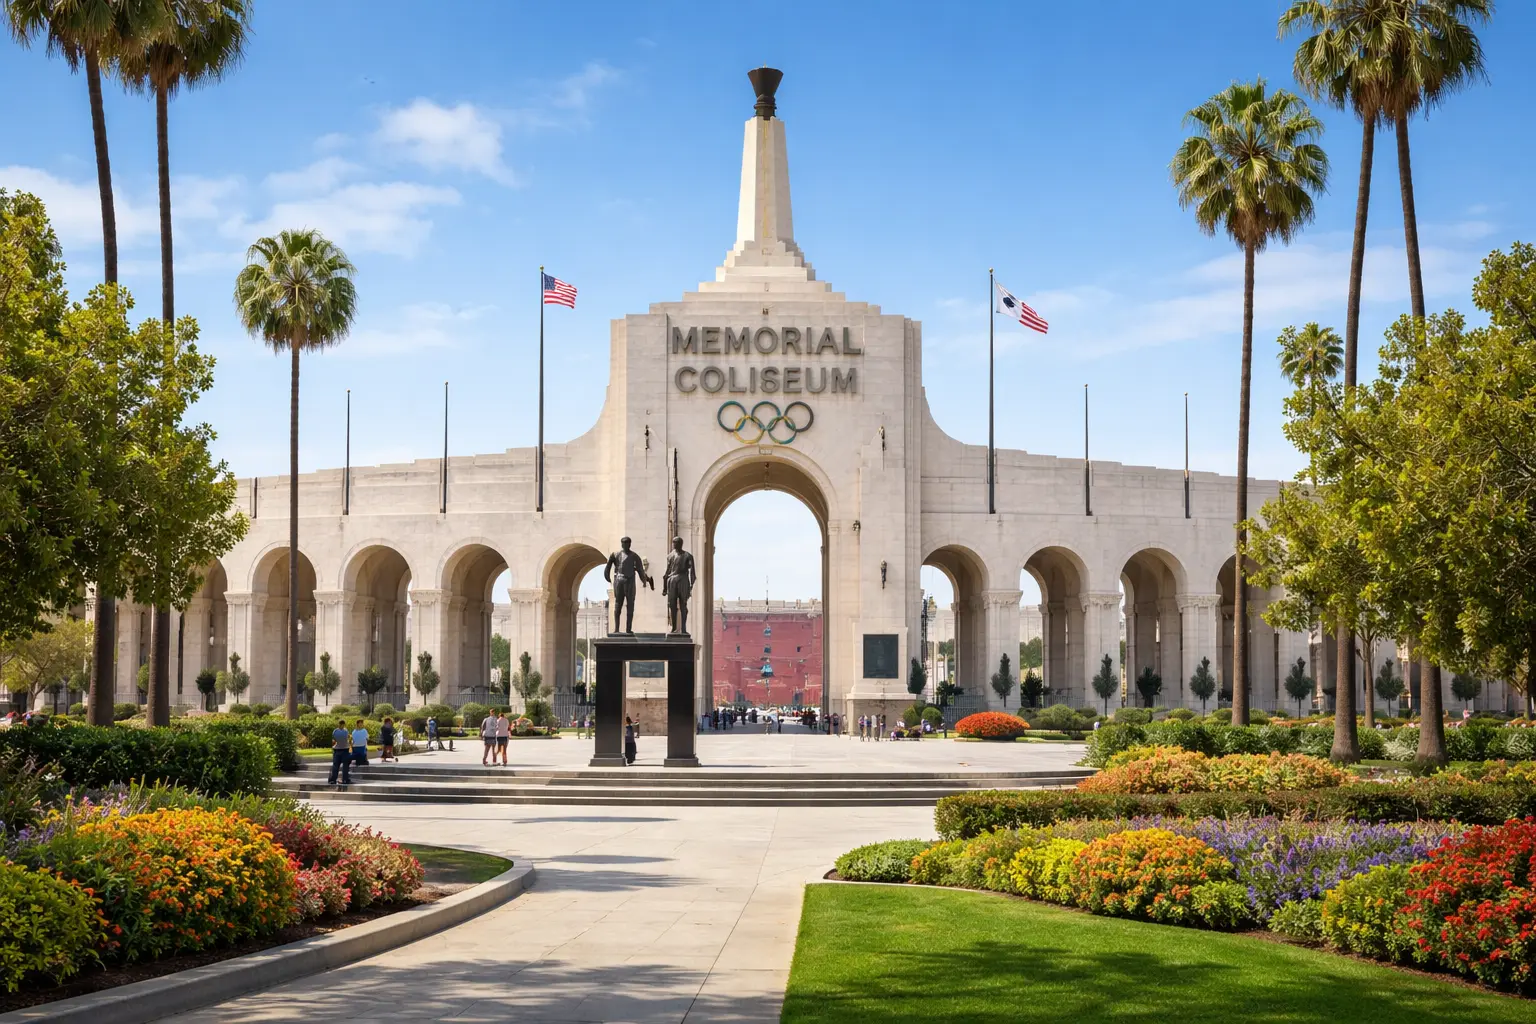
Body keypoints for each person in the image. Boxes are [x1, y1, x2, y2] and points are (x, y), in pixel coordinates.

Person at [328, 720, 353, 788]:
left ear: (339, 724)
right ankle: (345, 779)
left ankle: (333, 779)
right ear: (343, 724)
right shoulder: (346, 731)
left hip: (337, 750)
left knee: (336, 766)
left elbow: (334, 740)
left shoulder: (335, 731)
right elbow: (347, 739)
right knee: (345, 766)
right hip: (344, 750)